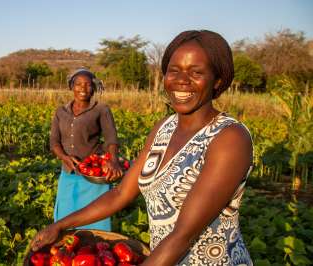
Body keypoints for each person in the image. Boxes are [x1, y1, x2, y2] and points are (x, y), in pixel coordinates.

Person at [32, 30, 254, 265]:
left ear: (217, 80)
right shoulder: (163, 129)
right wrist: (61, 225)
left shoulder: (229, 137)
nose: (181, 80)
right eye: (174, 70)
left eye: (196, 72)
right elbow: (120, 194)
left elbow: (182, 235)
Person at [49, 68, 124, 231]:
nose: (83, 89)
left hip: (93, 174)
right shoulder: (60, 112)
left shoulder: (101, 109)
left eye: (88, 85)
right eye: (78, 84)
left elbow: (111, 138)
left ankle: (97, 246)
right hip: (68, 172)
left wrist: (113, 160)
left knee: (96, 216)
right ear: (71, 87)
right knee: (64, 213)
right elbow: (54, 141)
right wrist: (63, 157)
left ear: (94, 88)